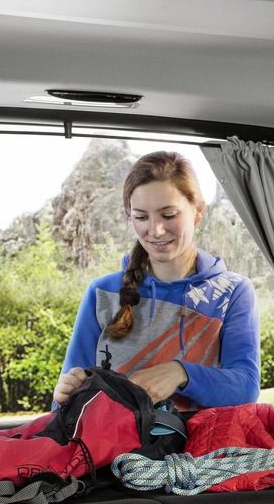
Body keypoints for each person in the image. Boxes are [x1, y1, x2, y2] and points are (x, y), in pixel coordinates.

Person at [53, 150, 260, 411]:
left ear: (198, 211)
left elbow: (246, 386)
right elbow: (66, 404)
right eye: (141, 217)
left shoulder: (233, 291)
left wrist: (181, 373)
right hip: (117, 437)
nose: (155, 230)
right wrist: (64, 394)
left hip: (202, 437)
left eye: (169, 215)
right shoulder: (101, 293)